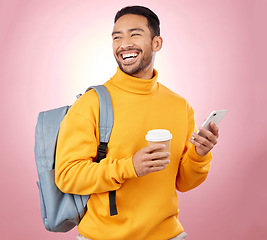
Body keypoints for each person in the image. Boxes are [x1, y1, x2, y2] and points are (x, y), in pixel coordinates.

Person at [55, 5, 219, 240]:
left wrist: (200, 154)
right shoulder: (92, 103)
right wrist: (129, 167)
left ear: (156, 43)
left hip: (168, 235)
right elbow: (67, 176)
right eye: (117, 37)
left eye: (134, 34)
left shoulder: (180, 106)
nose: (124, 44)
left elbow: (183, 182)